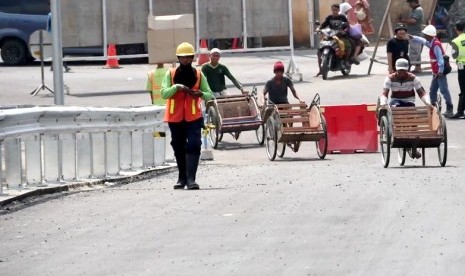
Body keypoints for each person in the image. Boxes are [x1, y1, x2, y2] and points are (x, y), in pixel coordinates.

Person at [160, 42, 213, 190]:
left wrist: (201, 93)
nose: (185, 60)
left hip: (193, 117)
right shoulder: (170, 74)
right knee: (178, 147)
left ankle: (191, 179)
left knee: (195, 145)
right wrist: (176, 87)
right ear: (178, 58)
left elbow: (210, 94)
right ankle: (181, 178)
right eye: (182, 58)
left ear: (192, 58)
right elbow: (164, 93)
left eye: (188, 57)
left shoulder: (198, 74)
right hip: (175, 118)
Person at [379, 58, 431, 158]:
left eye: (403, 70)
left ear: (407, 70)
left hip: (409, 101)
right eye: (399, 70)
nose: (401, 73)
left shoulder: (413, 78)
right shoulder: (390, 78)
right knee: (397, 110)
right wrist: (383, 103)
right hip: (396, 101)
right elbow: (385, 93)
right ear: (396, 70)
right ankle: (399, 135)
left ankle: (413, 145)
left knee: (413, 117)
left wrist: (428, 103)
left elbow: (421, 92)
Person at [409, 25, 454, 117]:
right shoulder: (432, 42)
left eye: (425, 34)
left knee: (443, 90)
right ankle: (433, 108)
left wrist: (440, 71)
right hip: (435, 72)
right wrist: (413, 37)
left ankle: (450, 108)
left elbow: (440, 59)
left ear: (429, 35)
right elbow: (423, 41)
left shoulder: (436, 44)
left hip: (439, 73)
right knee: (432, 91)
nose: (424, 35)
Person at [399, 0, 424, 73]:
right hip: (412, 33)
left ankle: (408, 67)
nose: (409, 4)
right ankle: (418, 67)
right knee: (417, 51)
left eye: (410, 2)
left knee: (414, 51)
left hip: (415, 34)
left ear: (414, 2)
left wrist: (403, 20)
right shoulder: (414, 10)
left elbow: (413, 21)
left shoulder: (418, 10)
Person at [46, 1, 70, 72]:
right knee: (59, 52)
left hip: (54, 35)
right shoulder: (51, 15)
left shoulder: (52, 14)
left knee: (56, 52)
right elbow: (48, 26)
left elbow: (47, 27)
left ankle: (53, 67)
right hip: (53, 36)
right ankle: (65, 66)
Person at [450, 20, 465, 119]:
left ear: (456, 29)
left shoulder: (455, 41)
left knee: (463, 90)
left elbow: (454, 56)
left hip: (462, 67)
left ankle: (460, 112)